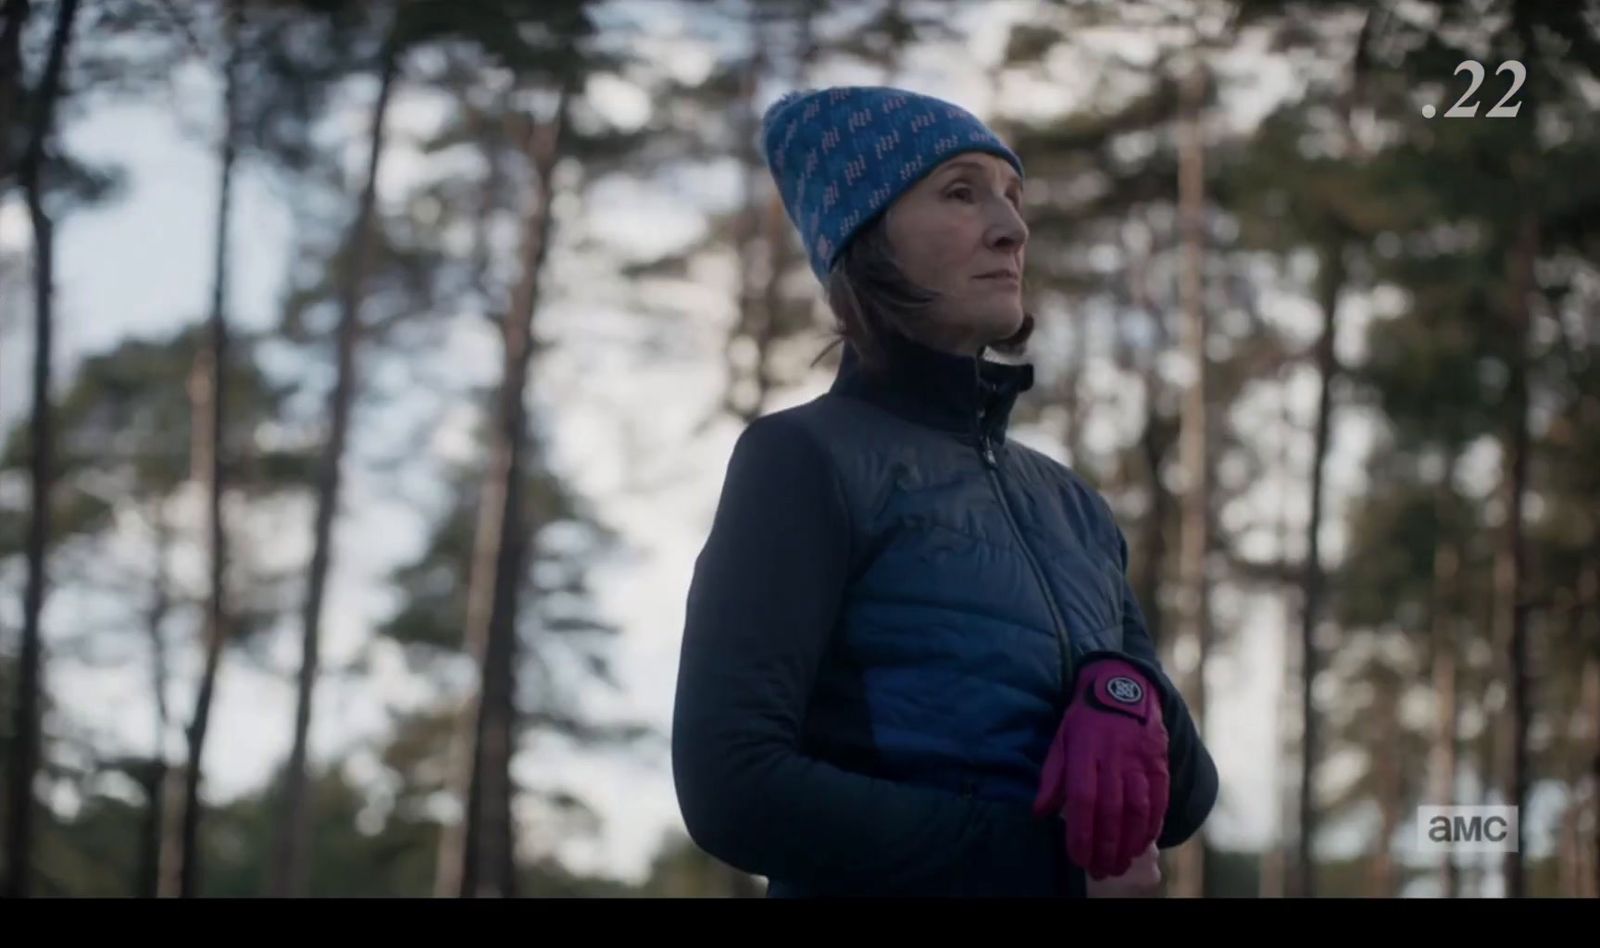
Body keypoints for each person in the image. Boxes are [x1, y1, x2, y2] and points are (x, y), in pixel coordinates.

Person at [671, 85, 1217, 898]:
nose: (1012, 228)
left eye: (1013, 198)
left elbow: (1187, 799)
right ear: (868, 238)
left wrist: (1122, 689)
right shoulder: (801, 458)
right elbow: (734, 786)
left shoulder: (1073, 507)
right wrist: (1047, 870)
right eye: (961, 192)